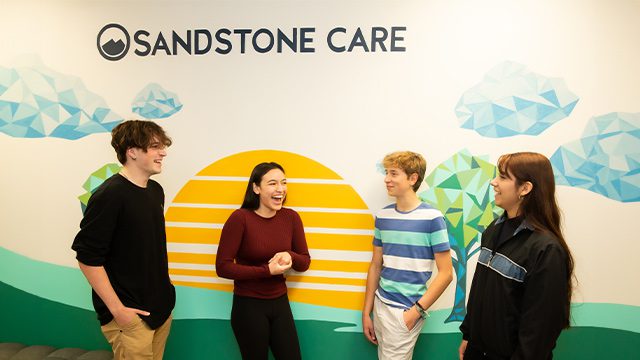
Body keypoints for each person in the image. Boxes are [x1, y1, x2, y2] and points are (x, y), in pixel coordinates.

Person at [71, 120, 175, 360]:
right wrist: (119, 311)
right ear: (132, 151)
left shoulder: (155, 190)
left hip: (160, 309)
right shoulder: (109, 195)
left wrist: (166, 291)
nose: (164, 152)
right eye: (156, 146)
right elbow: (87, 258)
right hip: (130, 317)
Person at [459, 152, 575, 360]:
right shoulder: (493, 229)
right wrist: (469, 334)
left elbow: (540, 329)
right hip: (477, 351)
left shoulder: (546, 249)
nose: (494, 182)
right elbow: (480, 289)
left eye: (503, 177)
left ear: (525, 188)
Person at [363, 151, 453, 360]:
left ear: (413, 178)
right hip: (380, 304)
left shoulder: (432, 218)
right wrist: (366, 312)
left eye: (393, 173)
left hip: (405, 311)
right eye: (386, 173)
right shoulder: (383, 216)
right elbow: (376, 265)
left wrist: (415, 312)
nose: (386, 179)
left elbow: (446, 273)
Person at [216, 162, 311, 360]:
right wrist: (266, 271)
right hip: (248, 306)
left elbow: (304, 261)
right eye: (272, 183)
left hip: (280, 303)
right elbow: (223, 267)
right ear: (256, 188)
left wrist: (290, 256)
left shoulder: (291, 218)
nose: (280, 189)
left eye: (284, 183)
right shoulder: (240, 218)